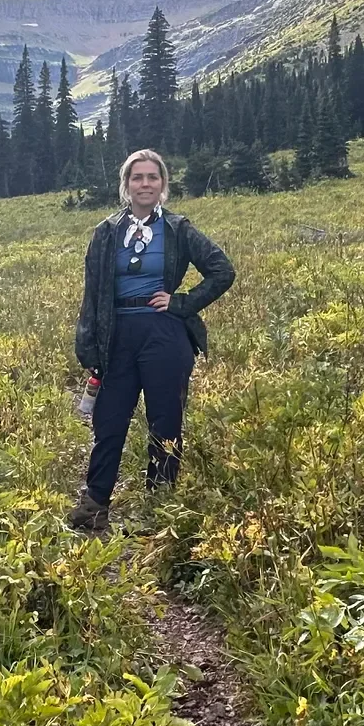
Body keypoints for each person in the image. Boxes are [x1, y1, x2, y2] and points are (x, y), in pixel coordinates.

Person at [69, 148, 236, 533]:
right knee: (108, 421)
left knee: (166, 421)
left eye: (152, 177)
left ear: (163, 184)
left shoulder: (179, 228)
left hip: (164, 334)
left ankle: (159, 510)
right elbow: (92, 293)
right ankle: (94, 507)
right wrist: (89, 346)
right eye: (137, 178)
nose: (145, 184)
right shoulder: (106, 232)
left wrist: (182, 302)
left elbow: (221, 270)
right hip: (117, 336)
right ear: (126, 185)